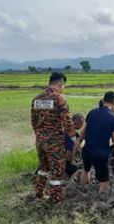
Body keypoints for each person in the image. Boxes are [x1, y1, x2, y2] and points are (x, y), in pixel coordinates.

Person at [31, 72, 76, 203]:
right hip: (54, 142)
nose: (63, 89)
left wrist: (40, 135)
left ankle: (39, 193)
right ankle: (56, 199)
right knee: (57, 170)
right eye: (63, 86)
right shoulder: (59, 99)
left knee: (43, 167)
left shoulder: (36, 99)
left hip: (40, 140)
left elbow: (34, 121)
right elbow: (66, 120)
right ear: (60, 83)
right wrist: (73, 138)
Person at [78, 91, 114, 192]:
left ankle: (82, 191)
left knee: (86, 170)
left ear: (103, 100)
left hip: (87, 150)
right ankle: (101, 199)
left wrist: (78, 144)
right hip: (101, 154)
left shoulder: (92, 112)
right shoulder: (113, 118)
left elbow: (83, 132)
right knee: (104, 182)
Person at [64, 113, 85, 177]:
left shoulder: (73, 133)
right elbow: (69, 152)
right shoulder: (70, 134)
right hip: (59, 158)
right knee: (75, 172)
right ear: (75, 122)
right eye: (82, 124)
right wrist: (70, 164)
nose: (82, 126)